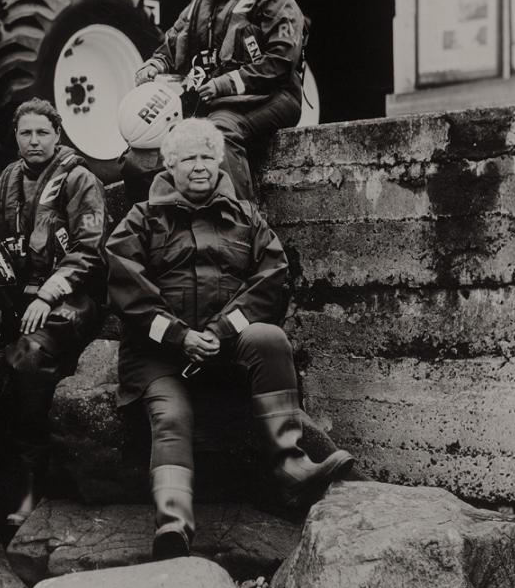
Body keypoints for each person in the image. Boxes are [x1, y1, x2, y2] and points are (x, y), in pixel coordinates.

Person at [105, 117, 354, 559]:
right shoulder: (141, 219)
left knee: (269, 338)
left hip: (224, 347)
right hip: (158, 356)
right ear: (170, 165)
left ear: (219, 162)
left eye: (206, 157)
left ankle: (292, 468)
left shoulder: (246, 217)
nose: (199, 167)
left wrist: (221, 332)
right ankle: (173, 525)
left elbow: (272, 279)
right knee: (172, 416)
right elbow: (128, 291)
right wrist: (180, 337)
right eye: (188, 159)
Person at [0, 99, 107, 525]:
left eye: (42, 132)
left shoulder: (79, 179)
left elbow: (89, 252)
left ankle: (34, 482)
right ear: (15, 137)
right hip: (19, 294)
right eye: (25, 133)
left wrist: (47, 295)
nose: (33, 140)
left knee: (29, 357)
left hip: (73, 298)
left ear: (58, 134)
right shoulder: (6, 179)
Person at [128, 0, 307, 203]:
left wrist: (225, 84)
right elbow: (175, 39)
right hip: (209, 99)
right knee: (141, 152)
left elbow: (281, 61)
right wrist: (155, 65)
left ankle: (240, 225)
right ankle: (159, 230)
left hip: (271, 96)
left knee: (217, 134)